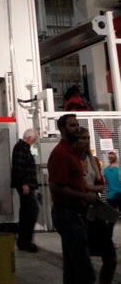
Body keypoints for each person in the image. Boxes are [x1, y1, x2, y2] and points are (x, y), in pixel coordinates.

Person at [47, 114, 101, 284]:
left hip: (76, 213)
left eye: (77, 125)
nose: (76, 128)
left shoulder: (72, 153)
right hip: (67, 214)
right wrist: (85, 196)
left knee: (72, 268)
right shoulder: (61, 154)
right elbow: (56, 187)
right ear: (62, 129)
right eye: (72, 125)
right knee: (85, 271)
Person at [77, 128, 117, 284]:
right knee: (81, 258)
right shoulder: (72, 160)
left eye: (88, 138)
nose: (86, 141)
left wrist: (88, 187)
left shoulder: (92, 160)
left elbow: (100, 185)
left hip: (94, 208)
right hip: (78, 210)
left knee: (110, 258)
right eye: (83, 138)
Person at [10, 128, 39, 252]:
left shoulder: (22, 148)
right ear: (29, 138)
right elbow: (18, 167)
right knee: (31, 211)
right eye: (34, 139)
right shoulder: (21, 148)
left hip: (26, 185)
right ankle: (26, 241)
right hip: (26, 185)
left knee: (27, 212)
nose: (34, 142)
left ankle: (23, 241)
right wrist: (24, 183)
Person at [103, 150, 121, 235]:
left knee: (111, 220)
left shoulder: (106, 170)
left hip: (110, 196)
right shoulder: (119, 170)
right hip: (119, 195)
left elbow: (105, 183)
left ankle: (108, 238)